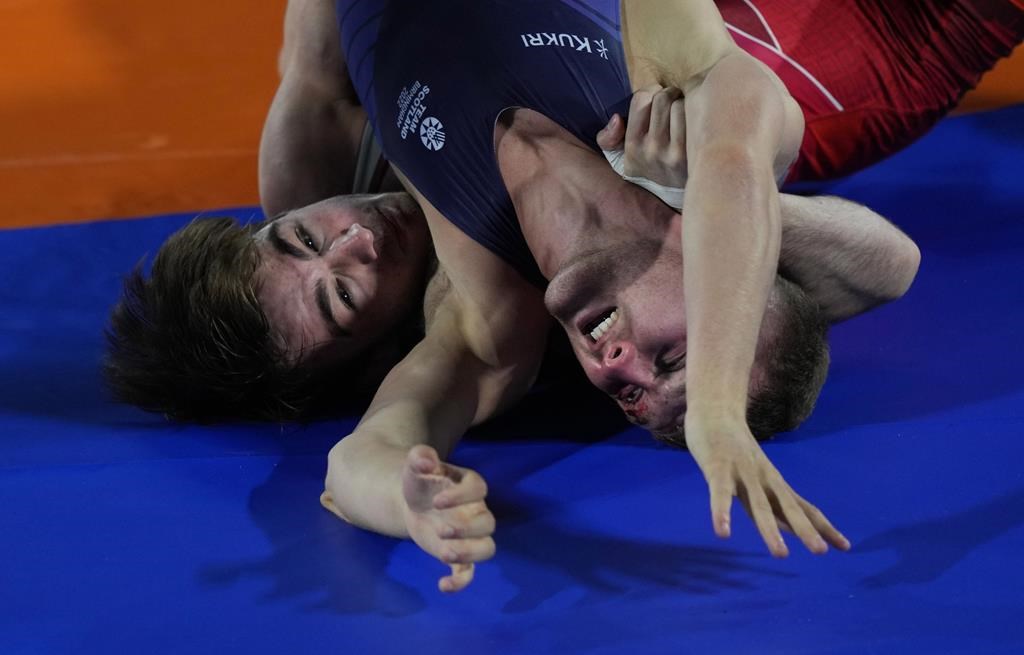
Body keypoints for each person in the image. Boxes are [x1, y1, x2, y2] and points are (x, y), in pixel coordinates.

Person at [104, 0, 1019, 589]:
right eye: (660, 365)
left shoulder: (316, 175)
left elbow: (310, 78)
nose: (353, 239)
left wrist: (711, 400)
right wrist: (411, 505)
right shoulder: (491, 306)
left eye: (304, 239)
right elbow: (366, 454)